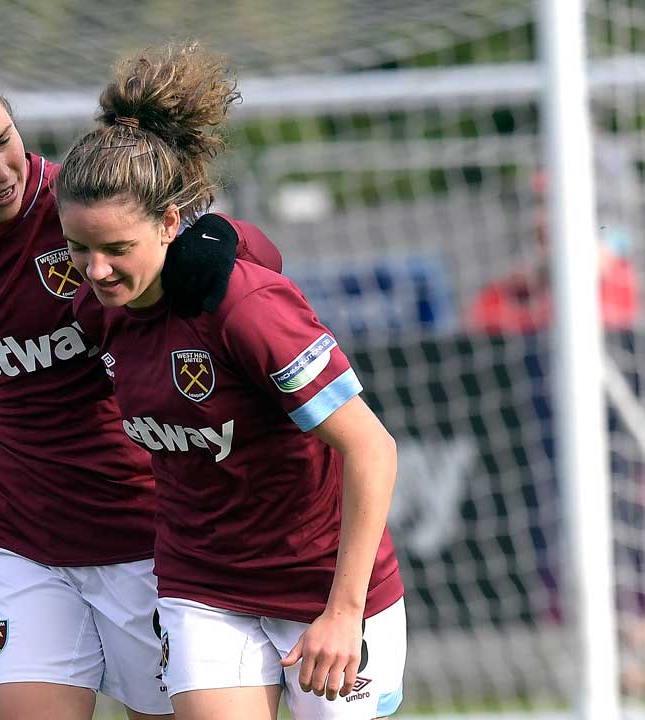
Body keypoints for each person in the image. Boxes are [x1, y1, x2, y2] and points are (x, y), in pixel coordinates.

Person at [0, 30, 280, 720]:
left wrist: (221, 240)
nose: (1, 170)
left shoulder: (87, 201)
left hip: (146, 533)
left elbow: (255, 264)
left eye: (5, 140)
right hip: (20, 535)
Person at [56, 42, 406, 720]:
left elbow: (372, 448)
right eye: (79, 248)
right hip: (203, 587)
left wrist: (343, 612)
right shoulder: (97, 312)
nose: (95, 270)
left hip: (321, 588)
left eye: (116, 249)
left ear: (167, 224)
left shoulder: (247, 309)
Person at [465, 135, 641, 334]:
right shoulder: (511, 289)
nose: (539, 218)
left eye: (549, 204)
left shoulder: (611, 279)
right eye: (539, 203)